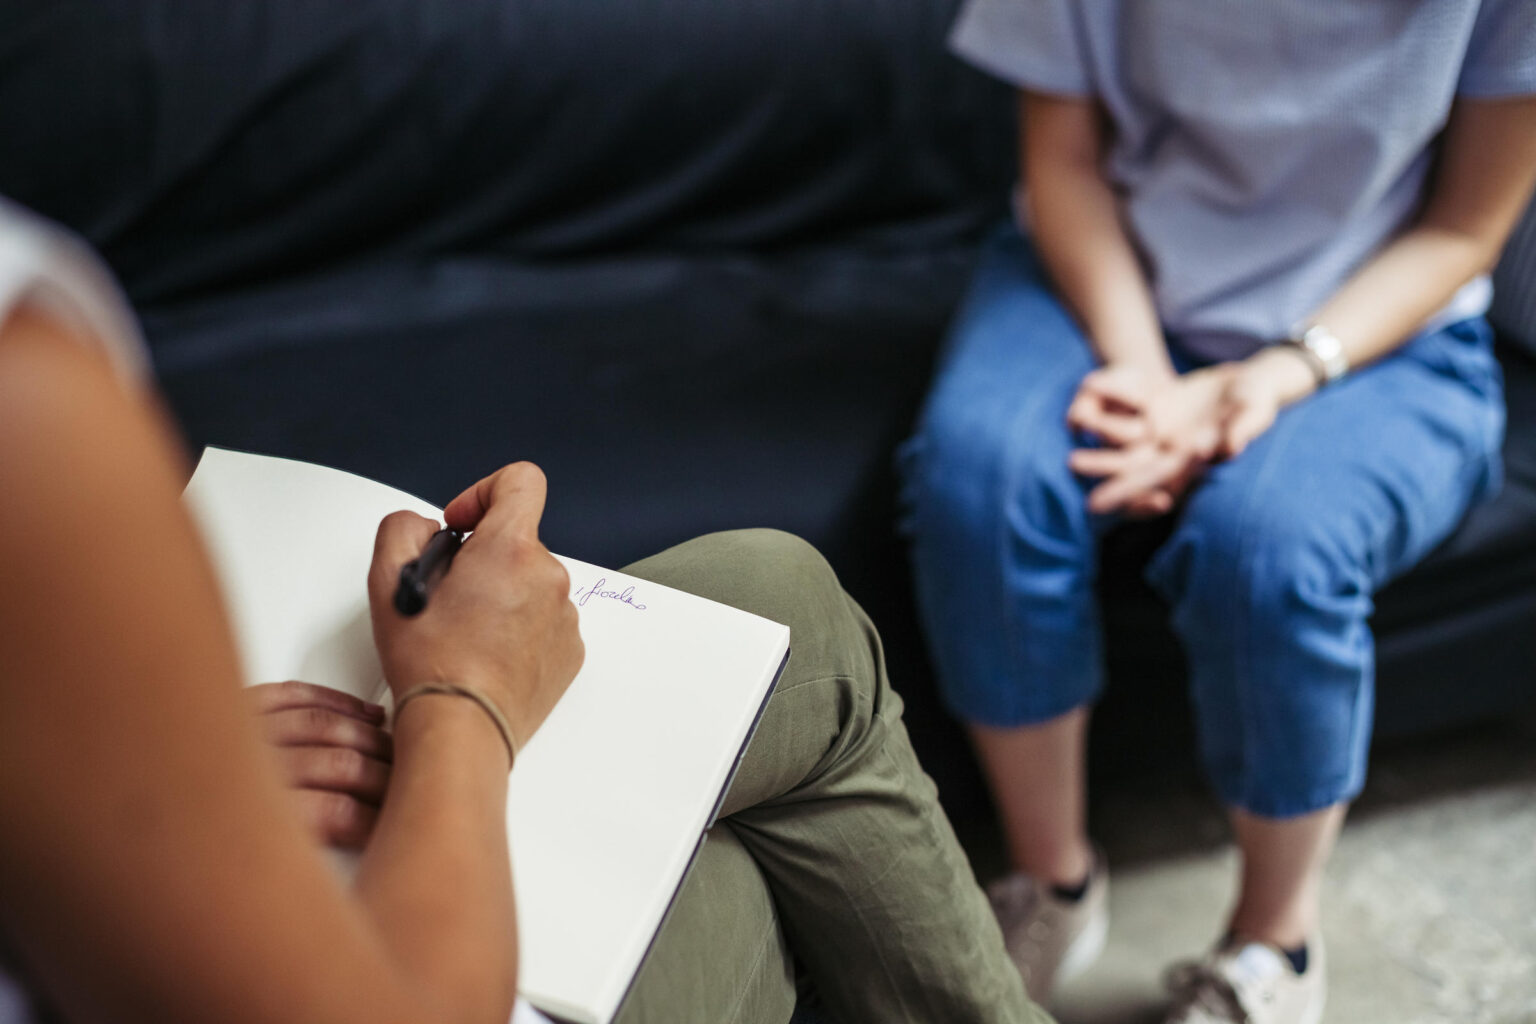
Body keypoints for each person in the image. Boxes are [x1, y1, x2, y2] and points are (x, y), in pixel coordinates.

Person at [0, 197, 1046, 1024]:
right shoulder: (28, 399)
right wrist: (464, 694)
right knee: (761, 859)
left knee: (777, 604)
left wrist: (141, 801)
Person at [898, 4, 1536, 1023]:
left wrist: (1282, 373)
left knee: (1268, 549)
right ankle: (1052, 881)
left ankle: (1273, 946)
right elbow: (1060, 162)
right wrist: (1143, 370)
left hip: (1381, 332)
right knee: (980, 485)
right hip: (1107, 280)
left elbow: (1468, 226)